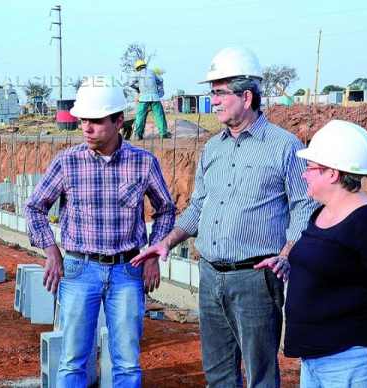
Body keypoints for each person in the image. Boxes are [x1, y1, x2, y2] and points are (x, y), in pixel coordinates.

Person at [131, 47, 317, 387]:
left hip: (255, 278)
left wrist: (287, 255)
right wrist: (166, 242)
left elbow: (304, 206)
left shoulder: (284, 146)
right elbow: (199, 207)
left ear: (246, 96)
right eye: (212, 92)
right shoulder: (212, 148)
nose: (213, 100)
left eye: (219, 92)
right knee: (218, 372)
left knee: (260, 373)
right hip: (211, 274)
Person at [24, 75, 176, 387]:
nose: (87, 129)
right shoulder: (68, 162)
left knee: (127, 364)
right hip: (80, 270)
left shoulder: (142, 162)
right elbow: (35, 206)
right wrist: (51, 251)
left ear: (119, 120)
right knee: (72, 362)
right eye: (83, 121)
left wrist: (152, 256)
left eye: (96, 121)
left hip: (128, 270)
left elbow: (166, 209)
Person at [283, 119, 367, 387]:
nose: (303, 174)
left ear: (333, 174)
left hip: (356, 359)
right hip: (318, 356)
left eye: (310, 168)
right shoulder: (322, 212)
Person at [130, 59, 171, 140]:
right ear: (144, 65)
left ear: (137, 68)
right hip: (155, 97)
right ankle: (164, 134)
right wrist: (159, 90)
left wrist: (138, 88)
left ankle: (138, 135)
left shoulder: (137, 74)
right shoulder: (152, 72)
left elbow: (130, 83)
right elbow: (161, 80)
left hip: (143, 99)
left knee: (140, 117)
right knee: (159, 116)